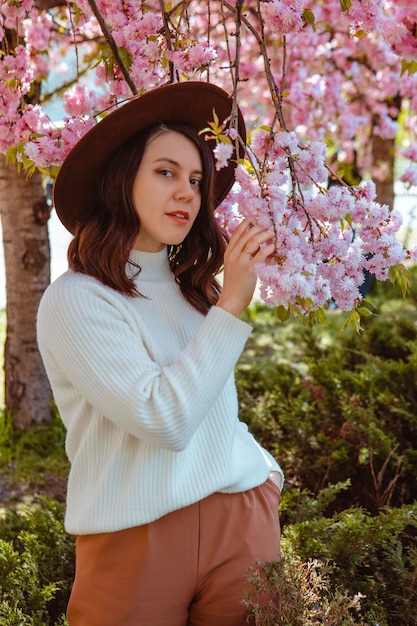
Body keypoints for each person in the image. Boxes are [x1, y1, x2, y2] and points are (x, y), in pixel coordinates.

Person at [37, 81, 284, 626]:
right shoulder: (77, 299)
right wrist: (234, 305)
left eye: (197, 179)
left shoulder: (195, 292)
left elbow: (214, 410)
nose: (188, 193)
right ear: (121, 178)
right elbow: (164, 419)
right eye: (166, 172)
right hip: (133, 536)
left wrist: (264, 476)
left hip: (241, 523)